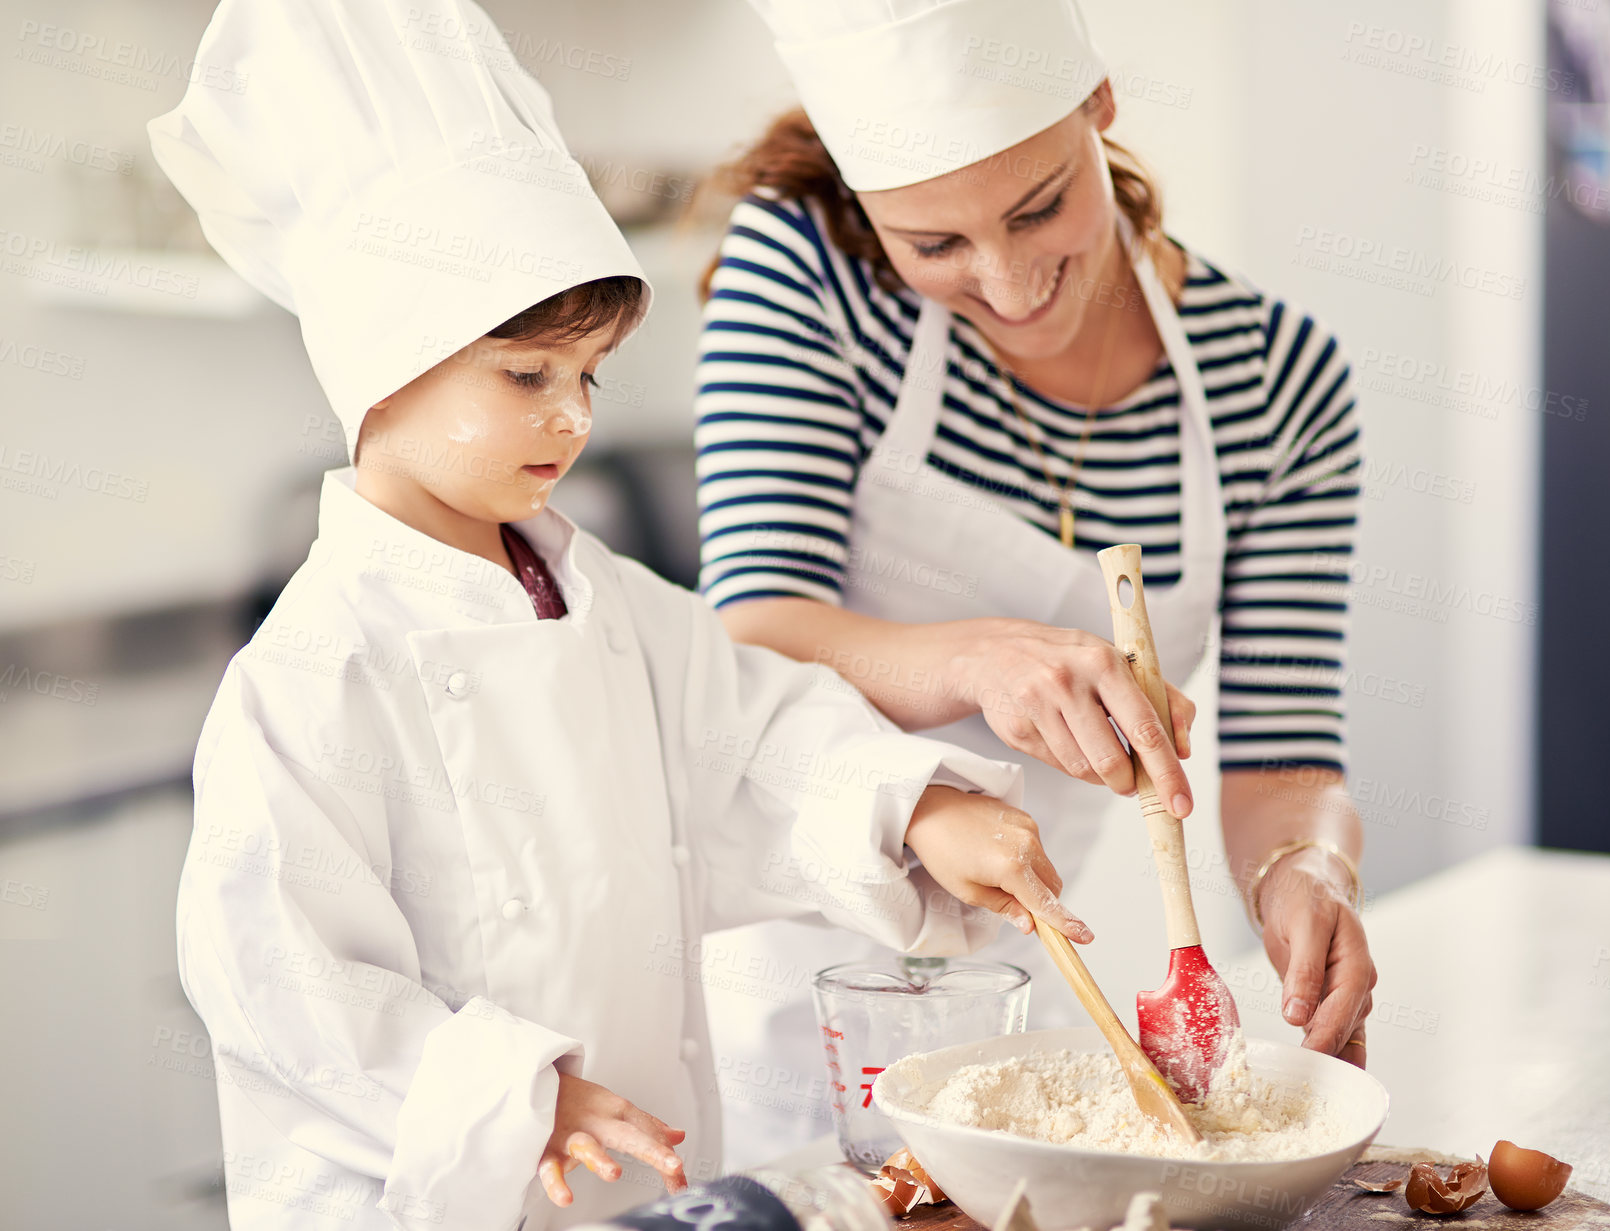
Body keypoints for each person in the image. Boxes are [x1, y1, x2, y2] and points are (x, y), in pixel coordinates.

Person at [150, 3, 1090, 1228]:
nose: (573, 418)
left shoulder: (607, 607)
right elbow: (285, 984)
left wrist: (923, 811)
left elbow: (756, 740)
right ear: (388, 362)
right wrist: (520, 1097)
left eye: (586, 376)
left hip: (635, 1185)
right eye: (527, 376)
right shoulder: (315, 675)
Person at [694, 0, 1375, 1116]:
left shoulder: (1279, 381)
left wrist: (1305, 869)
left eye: (1041, 206)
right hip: (786, 983)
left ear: (1095, 104)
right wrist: (981, 662)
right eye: (937, 246)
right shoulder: (807, 261)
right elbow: (755, 630)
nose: (1010, 287)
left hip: (1031, 981)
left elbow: (1286, 756)